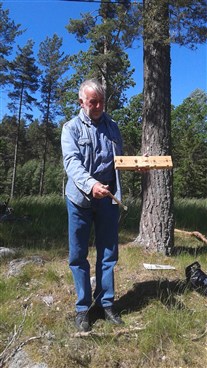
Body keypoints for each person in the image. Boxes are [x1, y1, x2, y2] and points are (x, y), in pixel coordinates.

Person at [61, 79, 124, 332]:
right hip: (80, 199)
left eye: (101, 101)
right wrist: (90, 185)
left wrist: (135, 165)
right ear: (81, 102)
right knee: (78, 256)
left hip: (108, 196)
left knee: (108, 253)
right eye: (92, 102)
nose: (98, 106)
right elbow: (72, 163)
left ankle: (106, 303)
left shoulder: (113, 127)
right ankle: (82, 308)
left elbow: (118, 160)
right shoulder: (71, 128)